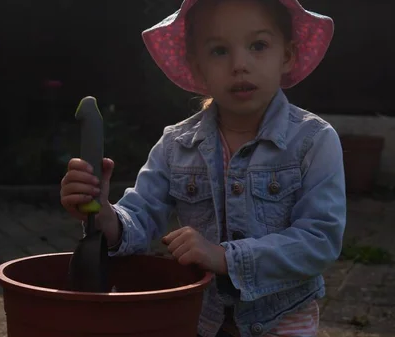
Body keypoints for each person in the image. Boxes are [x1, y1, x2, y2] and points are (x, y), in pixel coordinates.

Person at [60, 0, 346, 336]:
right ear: (197, 67)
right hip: (200, 319)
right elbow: (140, 217)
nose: (240, 64)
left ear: (287, 55)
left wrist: (225, 257)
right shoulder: (175, 145)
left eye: (258, 45)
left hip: (281, 321)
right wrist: (104, 214)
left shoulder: (314, 140)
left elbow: (320, 240)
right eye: (219, 51)